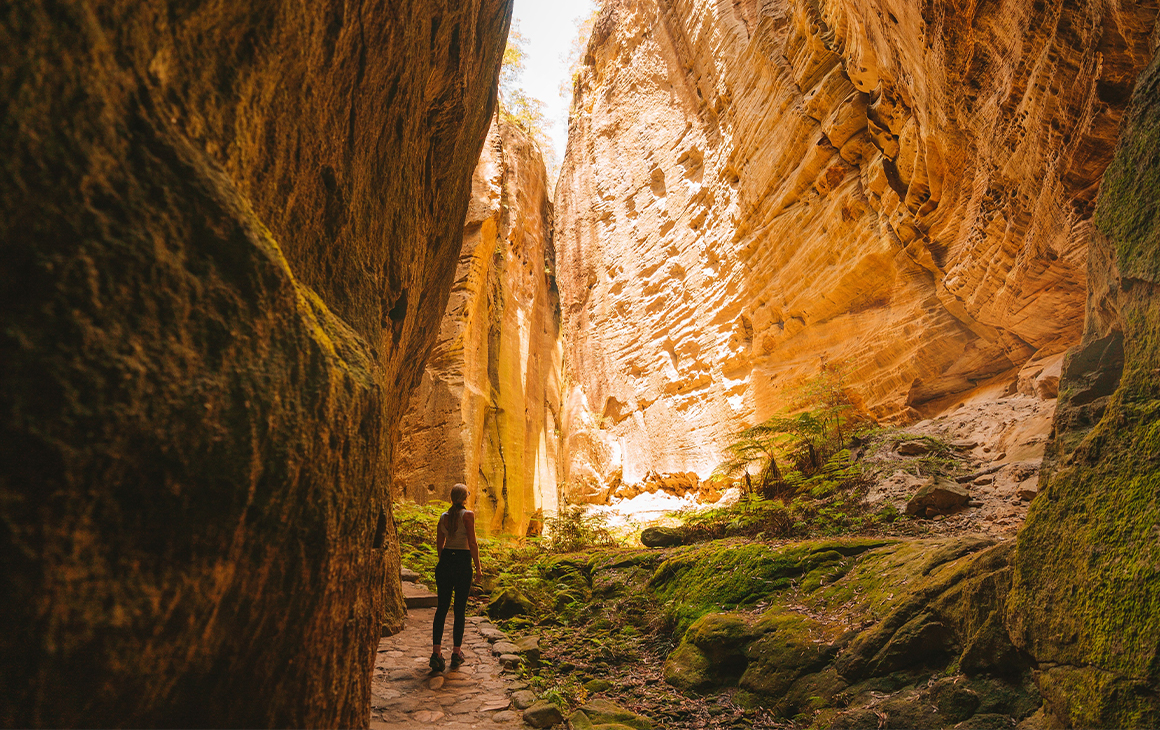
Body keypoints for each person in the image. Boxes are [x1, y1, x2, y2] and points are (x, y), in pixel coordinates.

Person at [429, 483, 482, 673]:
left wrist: (444, 563)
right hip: (461, 562)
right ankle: (456, 653)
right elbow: (473, 543)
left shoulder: (444, 517)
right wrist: (478, 568)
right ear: (464, 497)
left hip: (445, 563)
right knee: (459, 609)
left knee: (442, 608)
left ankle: (436, 654)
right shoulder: (467, 515)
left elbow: (439, 545)